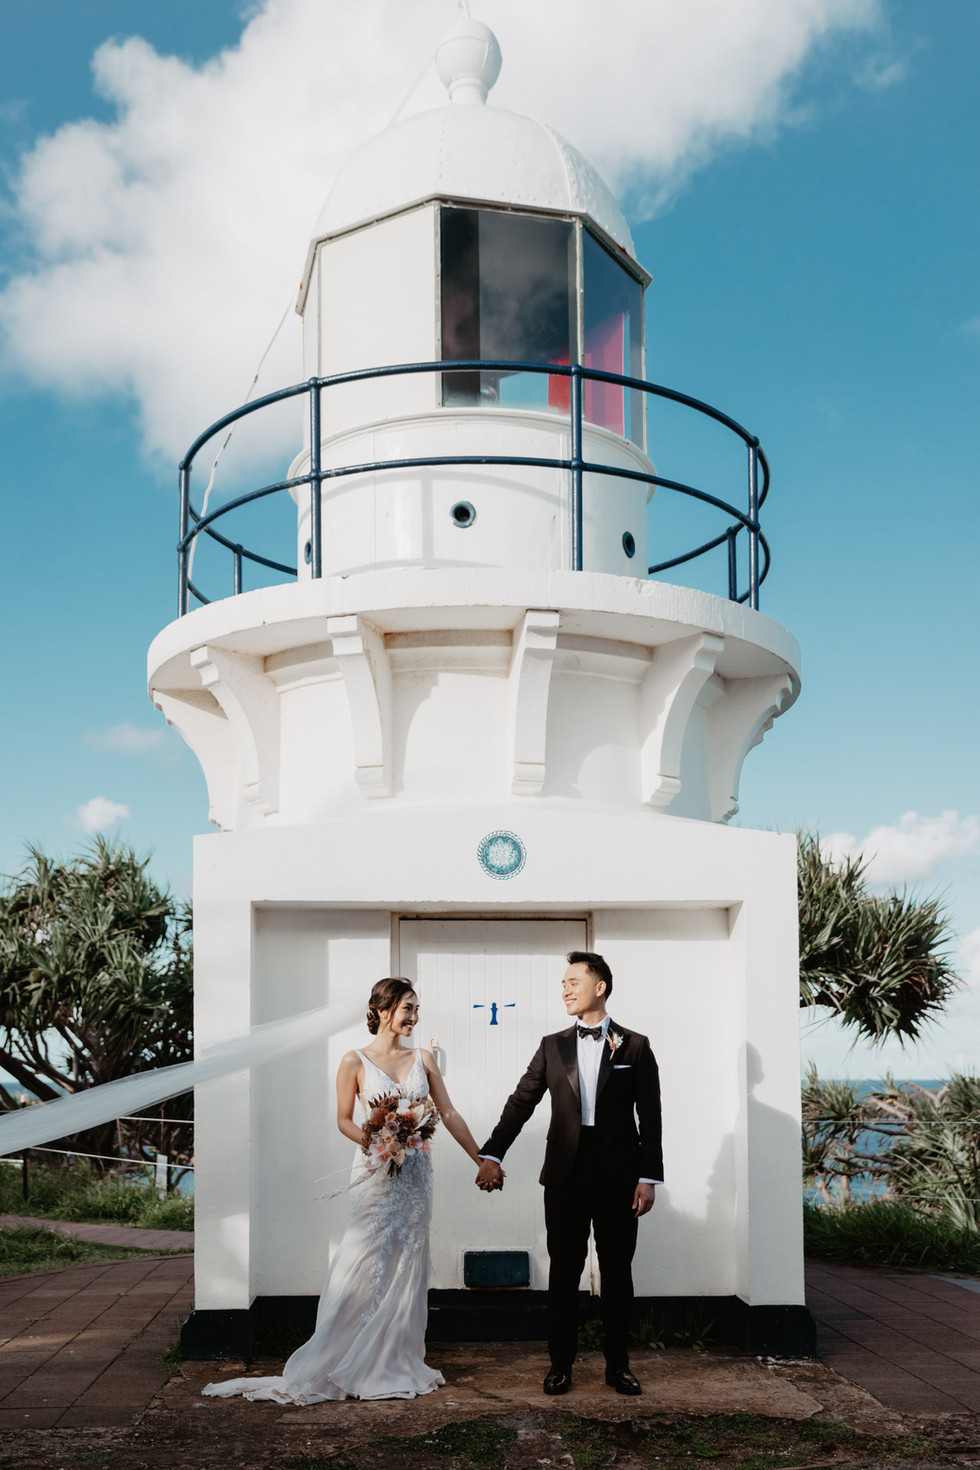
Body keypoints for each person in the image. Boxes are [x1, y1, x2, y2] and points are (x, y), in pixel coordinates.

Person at [203, 977, 486, 1403]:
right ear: (385, 1010)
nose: (414, 1016)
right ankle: (340, 1357)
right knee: (363, 1257)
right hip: (375, 1175)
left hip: (416, 1178)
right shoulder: (353, 1061)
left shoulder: (424, 1059)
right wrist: (380, 1144)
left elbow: (447, 1112)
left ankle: (393, 1356)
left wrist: (481, 1159)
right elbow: (344, 1119)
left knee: (408, 1259)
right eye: (408, 1008)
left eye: (416, 1008)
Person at [476, 951, 662, 1398]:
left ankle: (618, 1366)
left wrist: (648, 1177)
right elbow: (521, 1103)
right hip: (565, 1174)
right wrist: (492, 1154)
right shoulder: (551, 1045)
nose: (565, 989)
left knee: (618, 1274)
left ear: (600, 986)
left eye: (573, 981)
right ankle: (560, 1365)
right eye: (563, 983)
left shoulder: (635, 1045)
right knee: (564, 1271)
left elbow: (650, 1115)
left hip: (620, 1175)